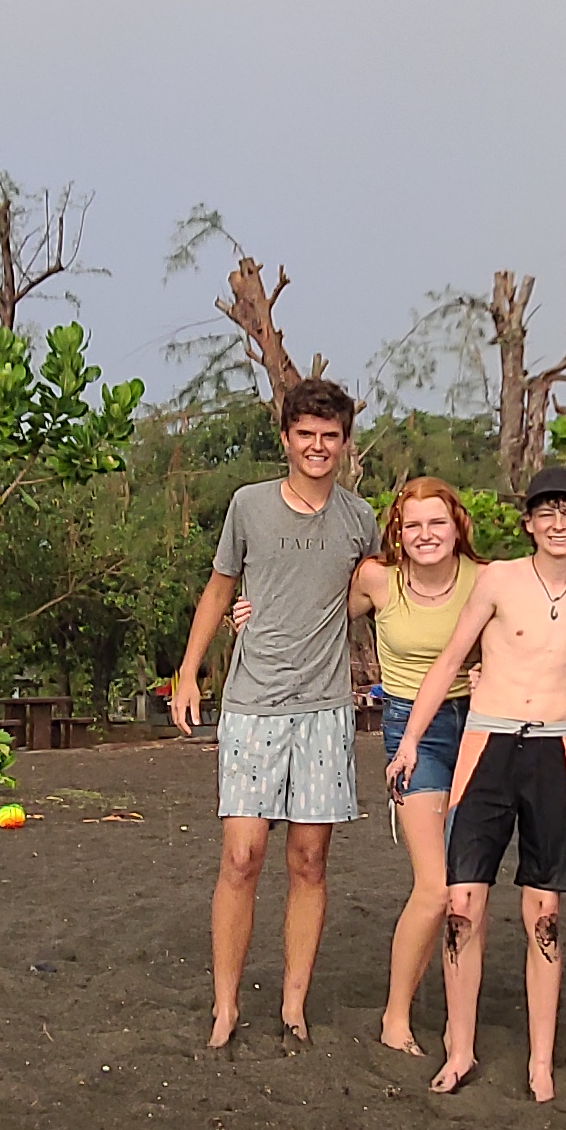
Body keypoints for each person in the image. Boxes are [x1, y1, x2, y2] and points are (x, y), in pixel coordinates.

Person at [390, 469, 566, 1099]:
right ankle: (460, 1045)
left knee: (544, 912)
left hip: (553, 748)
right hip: (487, 743)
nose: (558, 523)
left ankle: (540, 1062)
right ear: (528, 522)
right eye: (545, 512)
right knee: (461, 903)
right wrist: (412, 740)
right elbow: (449, 663)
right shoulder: (498, 579)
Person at [167, 381, 386, 1051]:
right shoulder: (249, 507)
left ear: (344, 443)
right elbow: (220, 586)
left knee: (309, 859)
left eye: (330, 436)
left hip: (324, 708)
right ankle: (225, 1005)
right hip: (252, 704)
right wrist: (188, 670)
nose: (317, 448)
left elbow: (373, 595)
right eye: (305, 435)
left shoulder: (359, 518)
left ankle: (294, 1006)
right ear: (286, 438)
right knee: (242, 855)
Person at [361, 473, 484, 1054]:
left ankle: (461, 1027)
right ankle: (395, 1016)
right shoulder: (377, 582)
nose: (426, 534)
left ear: (457, 525)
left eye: (437, 522)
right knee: (433, 886)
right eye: (413, 525)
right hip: (413, 730)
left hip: (482, 723)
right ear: (397, 533)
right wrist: (252, 610)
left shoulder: (487, 580)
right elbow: (311, 607)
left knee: (467, 889)